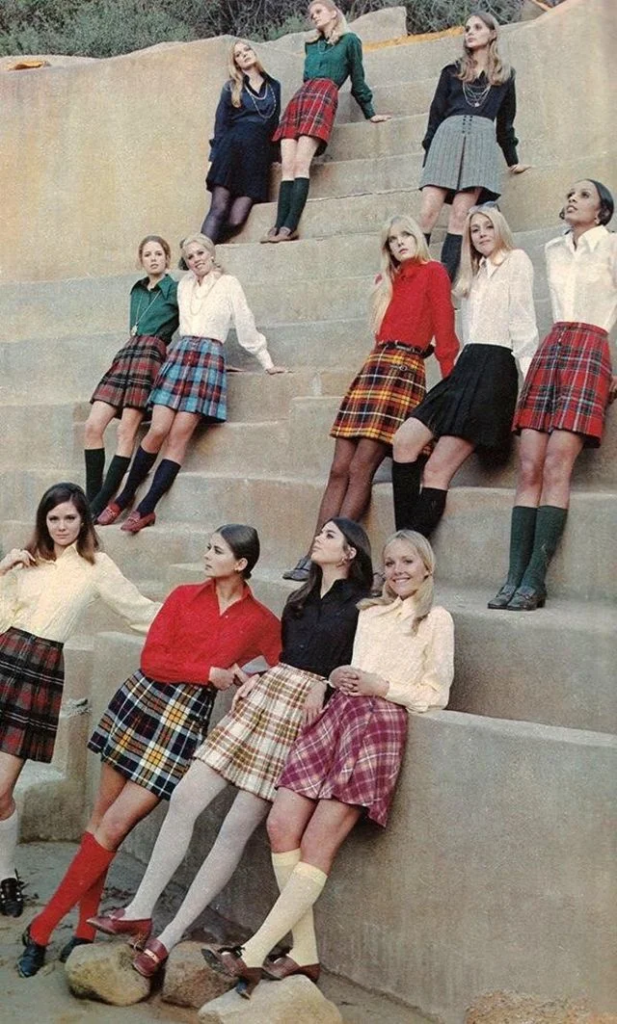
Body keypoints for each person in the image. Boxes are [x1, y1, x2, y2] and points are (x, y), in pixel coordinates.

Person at [89, 518, 372, 979]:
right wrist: (252, 677)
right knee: (184, 799)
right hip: (260, 704)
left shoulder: (362, 606)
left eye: (329, 536)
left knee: (234, 830)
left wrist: (328, 684)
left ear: (350, 553)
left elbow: (356, 667)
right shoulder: (299, 599)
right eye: (318, 532)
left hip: (298, 720)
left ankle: (168, 937)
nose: (317, 537)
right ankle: (140, 908)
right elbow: (277, 657)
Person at [17, 524, 281, 977]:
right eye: (207, 545)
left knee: (116, 823)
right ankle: (82, 930)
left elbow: (277, 667)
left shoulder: (261, 621)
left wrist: (249, 679)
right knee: (103, 821)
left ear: (241, 564)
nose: (206, 554)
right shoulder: (183, 596)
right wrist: (210, 672)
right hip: (142, 705)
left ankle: (40, 928)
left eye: (216, 550)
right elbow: (152, 660)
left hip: (182, 726)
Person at [204, 529, 454, 997]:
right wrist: (333, 677)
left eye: (408, 562)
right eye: (391, 562)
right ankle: (305, 953)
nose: (399, 571)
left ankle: (253, 954)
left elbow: (435, 694)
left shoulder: (435, 619)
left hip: (377, 724)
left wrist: (383, 687)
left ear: (426, 567)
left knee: (319, 840)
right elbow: (344, 662)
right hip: (337, 714)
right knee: (281, 824)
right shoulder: (370, 612)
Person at [0, 482, 159, 922]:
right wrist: (3, 570)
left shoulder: (96, 566)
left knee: (0, 790)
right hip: (3, 656)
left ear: (84, 520)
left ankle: (4, 874)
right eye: (54, 519)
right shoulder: (25, 562)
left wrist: (196, 623)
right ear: (43, 521)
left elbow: (140, 611)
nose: (62, 526)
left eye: (70, 518)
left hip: (40, 672)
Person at [284, 215, 459, 582]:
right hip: (375, 365)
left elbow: (445, 333)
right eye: (392, 240)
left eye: (405, 236)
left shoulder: (434, 272)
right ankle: (313, 551)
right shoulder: (387, 281)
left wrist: (451, 385)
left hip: (404, 370)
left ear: (417, 237)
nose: (399, 243)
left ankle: (338, 556)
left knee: (362, 467)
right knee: (338, 469)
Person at [95, 234, 285, 533]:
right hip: (180, 354)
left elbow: (245, 324)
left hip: (208, 357)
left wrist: (267, 362)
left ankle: (147, 509)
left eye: (200, 253)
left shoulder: (228, 284)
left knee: (179, 435)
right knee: (157, 429)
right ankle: (123, 498)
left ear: (211, 254)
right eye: (190, 256)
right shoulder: (183, 286)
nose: (196, 259)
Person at [489, 179, 617, 611]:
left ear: (601, 211)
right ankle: (512, 576)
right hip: (554, 347)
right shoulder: (551, 249)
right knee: (529, 466)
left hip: (591, 347)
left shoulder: (612, 246)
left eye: (582, 195)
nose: (571, 199)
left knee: (557, 464)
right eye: (569, 193)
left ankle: (533, 579)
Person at [391, 205, 538, 536]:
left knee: (436, 471)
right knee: (403, 442)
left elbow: (524, 325)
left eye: (488, 227)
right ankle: (403, 545)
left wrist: (530, 385)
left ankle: (405, 555)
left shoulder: (516, 260)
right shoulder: (473, 272)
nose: (482, 233)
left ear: (500, 229)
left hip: (494, 370)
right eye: (475, 229)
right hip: (466, 368)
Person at [262, 0, 390, 243]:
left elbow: (358, 79)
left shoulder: (350, 41)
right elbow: (306, 77)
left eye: (318, 11)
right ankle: (277, 225)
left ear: (334, 13)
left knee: (301, 163)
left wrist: (370, 111)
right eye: (311, 14)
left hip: (323, 97)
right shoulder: (311, 45)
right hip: (301, 98)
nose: (314, 17)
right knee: (287, 166)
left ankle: (290, 226)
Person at [419, 12, 530, 282]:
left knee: (460, 215)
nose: (470, 32)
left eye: (477, 27)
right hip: (447, 136)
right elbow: (435, 115)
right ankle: (412, 278)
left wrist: (512, 159)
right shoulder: (452, 71)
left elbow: (505, 124)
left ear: (492, 33)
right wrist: (428, 152)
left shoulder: (505, 76)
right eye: (467, 28)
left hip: (481, 140)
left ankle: (443, 285)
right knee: (428, 212)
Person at [84, 236, 179, 518]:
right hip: (127, 355)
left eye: (158, 254)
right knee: (92, 426)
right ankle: (93, 499)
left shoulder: (175, 290)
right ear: (141, 259)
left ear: (167, 258)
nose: (153, 258)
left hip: (150, 355)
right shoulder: (136, 290)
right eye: (148, 254)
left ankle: (99, 505)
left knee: (126, 431)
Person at [201, 40, 281, 243]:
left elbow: (274, 124)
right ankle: (195, 256)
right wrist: (213, 159)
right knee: (218, 209)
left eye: (247, 49)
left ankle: (195, 245)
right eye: (238, 54)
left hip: (257, 157)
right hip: (232, 150)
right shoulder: (231, 87)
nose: (244, 54)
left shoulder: (274, 87)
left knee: (237, 219)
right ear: (236, 63)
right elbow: (220, 126)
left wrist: (277, 155)